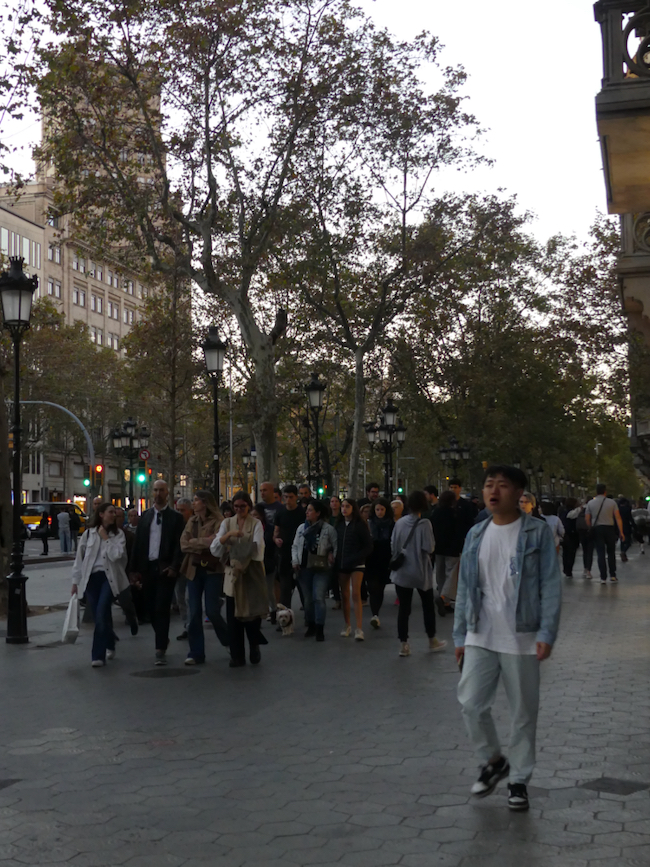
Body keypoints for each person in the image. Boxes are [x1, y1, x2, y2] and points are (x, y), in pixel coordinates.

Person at [453, 465, 562, 813]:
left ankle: (519, 780)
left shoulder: (537, 532)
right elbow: (465, 587)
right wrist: (459, 635)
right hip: (480, 632)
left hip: (523, 635)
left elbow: (551, 584)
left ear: (519, 494)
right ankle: (494, 760)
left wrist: (547, 632)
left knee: (523, 712)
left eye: (502, 485)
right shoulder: (476, 533)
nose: (493, 491)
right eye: (489, 485)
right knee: (471, 703)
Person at [129, 479, 186, 665]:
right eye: (155, 490)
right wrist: (133, 570)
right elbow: (138, 544)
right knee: (149, 607)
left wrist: (174, 566)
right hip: (147, 568)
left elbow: (179, 545)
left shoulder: (175, 518)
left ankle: (160, 647)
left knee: (162, 607)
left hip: (165, 569)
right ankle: (162, 636)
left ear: (167, 492)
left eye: (161, 490)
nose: (158, 494)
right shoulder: (146, 516)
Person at [211, 491, 268, 667]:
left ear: (249, 506)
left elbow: (258, 549)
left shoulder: (255, 524)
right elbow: (216, 548)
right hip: (232, 575)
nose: (239, 510)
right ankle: (237, 655)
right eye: (236, 506)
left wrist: (240, 553)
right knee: (233, 616)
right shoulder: (227, 523)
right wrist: (228, 536)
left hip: (251, 573)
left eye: (243, 506)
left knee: (251, 615)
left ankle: (254, 645)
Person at [71, 502, 130, 667]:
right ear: (101, 514)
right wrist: (75, 582)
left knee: (101, 611)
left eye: (114, 512)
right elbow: (80, 558)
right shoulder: (89, 534)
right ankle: (110, 640)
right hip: (91, 578)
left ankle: (98, 655)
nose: (114, 515)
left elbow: (117, 556)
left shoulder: (118, 535)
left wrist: (106, 539)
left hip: (108, 578)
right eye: (110, 512)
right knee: (100, 616)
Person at [390, 490, 446, 657]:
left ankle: (404, 644)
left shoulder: (400, 523)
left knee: (404, 609)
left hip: (402, 572)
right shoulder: (425, 524)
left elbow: (393, 544)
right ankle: (432, 639)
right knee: (427, 606)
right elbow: (429, 547)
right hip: (420, 571)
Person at [180, 490, 228, 665]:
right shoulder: (192, 521)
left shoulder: (219, 521)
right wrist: (202, 542)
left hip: (212, 570)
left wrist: (196, 542)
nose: (193, 503)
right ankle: (196, 652)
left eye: (196, 500)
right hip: (193, 569)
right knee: (193, 612)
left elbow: (216, 543)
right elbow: (183, 544)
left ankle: (228, 641)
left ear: (205, 503)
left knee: (212, 610)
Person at [292, 498, 337, 641]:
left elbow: (335, 546)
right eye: (307, 510)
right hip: (304, 567)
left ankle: (319, 627)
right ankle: (310, 624)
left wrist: (331, 555)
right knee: (308, 599)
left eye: (310, 510)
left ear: (318, 513)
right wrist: (295, 561)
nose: (307, 512)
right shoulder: (301, 528)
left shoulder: (328, 529)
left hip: (321, 567)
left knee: (318, 597)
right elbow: (295, 546)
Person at [336, 498, 373, 641]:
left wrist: (357, 557)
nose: (344, 509)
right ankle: (347, 624)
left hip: (357, 563)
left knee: (356, 593)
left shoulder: (359, 525)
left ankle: (359, 628)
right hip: (342, 562)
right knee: (344, 594)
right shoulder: (339, 525)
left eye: (347, 506)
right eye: (342, 506)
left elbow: (368, 546)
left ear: (353, 508)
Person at [431, 490, 464, 616]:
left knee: (440, 574)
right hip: (452, 548)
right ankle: (444, 598)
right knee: (452, 574)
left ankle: (444, 600)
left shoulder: (436, 512)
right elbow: (459, 531)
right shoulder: (455, 513)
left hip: (438, 547)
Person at [274, 484, 306, 611]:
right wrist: (276, 539)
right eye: (286, 497)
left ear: (296, 497)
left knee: (303, 587)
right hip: (284, 553)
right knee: (285, 588)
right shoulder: (280, 512)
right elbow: (276, 531)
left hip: (300, 553)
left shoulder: (302, 513)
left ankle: (308, 615)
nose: (288, 500)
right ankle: (285, 615)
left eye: (291, 497)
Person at [585, 484, 624, 584]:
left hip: (597, 529)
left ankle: (603, 577)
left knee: (600, 553)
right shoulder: (612, 502)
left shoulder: (590, 503)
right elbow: (618, 517)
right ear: (605, 491)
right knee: (611, 552)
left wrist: (590, 527)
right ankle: (613, 575)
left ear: (596, 491)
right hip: (609, 528)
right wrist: (621, 532)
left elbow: (587, 518)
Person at [366, 499, 394, 629]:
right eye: (377, 509)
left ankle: (376, 613)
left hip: (385, 558)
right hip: (371, 558)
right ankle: (375, 614)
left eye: (382, 509)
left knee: (380, 587)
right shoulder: (369, 524)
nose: (380, 512)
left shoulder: (391, 525)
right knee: (373, 587)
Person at [259, 481, 283, 621]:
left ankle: (276, 607)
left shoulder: (280, 508)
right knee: (265, 583)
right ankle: (269, 608)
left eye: (265, 490)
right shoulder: (259, 507)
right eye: (261, 490)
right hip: (263, 547)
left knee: (275, 582)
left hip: (276, 548)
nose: (262, 493)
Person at [174, 497, 193, 641]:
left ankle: (192, 624)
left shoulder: (195, 524)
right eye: (178, 510)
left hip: (193, 564)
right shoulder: (174, 524)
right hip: (179, 565)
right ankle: (187, 625)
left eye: (183, 510)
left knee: (189, 597)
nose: (180, 513)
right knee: (180, 596)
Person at [560, 498, 581, 578]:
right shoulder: (574, 512)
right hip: (573, 534)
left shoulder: (563, 511)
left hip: (565, 534)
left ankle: (566, 568)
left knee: (565, 553)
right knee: (571, 553)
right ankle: (569, 570)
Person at [576, 499, 594, 578]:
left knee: (585, 550)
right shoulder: (593, 509)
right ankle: (589, 570)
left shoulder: (580, 510)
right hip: (590, 531)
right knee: (590, 551)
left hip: (582, 531)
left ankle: (585, 568)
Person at [617, 495, 633, 563]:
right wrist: (634, 526)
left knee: (622, 541)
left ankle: (623, 553)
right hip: (626, 526)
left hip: (619, 526)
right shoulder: (627, 509)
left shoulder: (617, 510)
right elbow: (630, 519)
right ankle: (623, 552)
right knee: (629, 541)